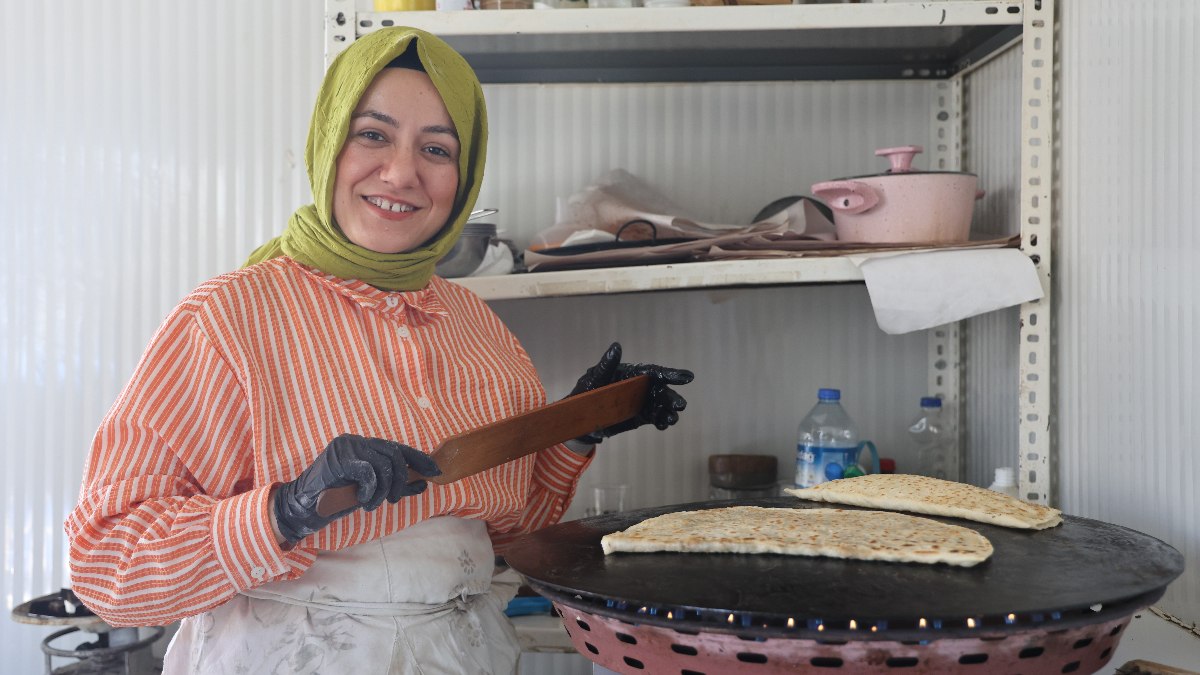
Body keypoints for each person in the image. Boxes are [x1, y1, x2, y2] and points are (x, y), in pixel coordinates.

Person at [64, 26, 693, 675]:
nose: (401, 172)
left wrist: (576, 430)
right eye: (373, 134)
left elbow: (512, 526)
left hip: (463, 655)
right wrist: (284, 509)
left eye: (437, 148)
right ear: (330, 141)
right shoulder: (228, 319)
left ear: (466, 173)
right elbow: (108, 565)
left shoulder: (478, 327)